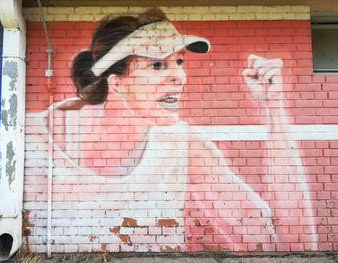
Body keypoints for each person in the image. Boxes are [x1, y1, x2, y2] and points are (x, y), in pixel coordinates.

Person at [29, 8, 317, 252]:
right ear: (116, 82)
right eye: (157, 65)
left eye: (179, 61)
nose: (179, 76)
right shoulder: (35, 143)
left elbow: (282, 241)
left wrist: (274, 107)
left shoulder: (182, 146)